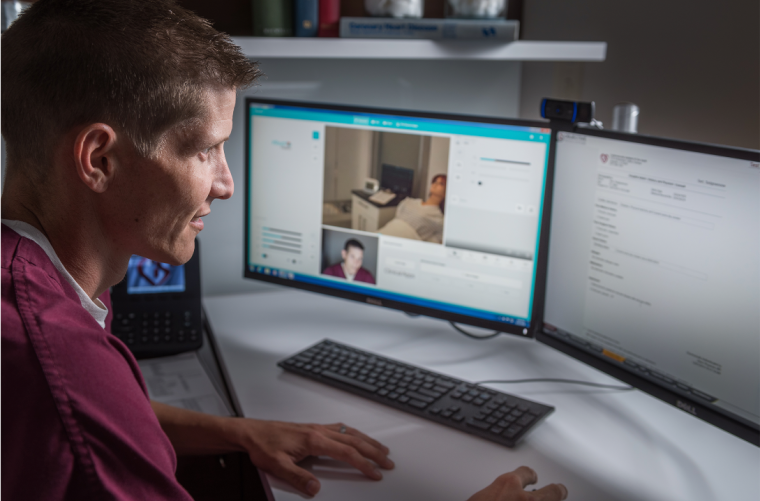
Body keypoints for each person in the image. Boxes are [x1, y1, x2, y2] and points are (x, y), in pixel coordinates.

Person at [0, 1, 567, 500]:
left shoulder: (33, 278)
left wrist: (238, 431)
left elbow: (106, 420)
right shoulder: (59, 360)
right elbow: (79, 406)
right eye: (206, 150)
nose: (226, 183)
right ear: (99, 159)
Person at [379, 174, 447, 243]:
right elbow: (397, 216)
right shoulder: (410, 201)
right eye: (435, 181)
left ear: (446, 192)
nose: (435, 184)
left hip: (404, 240)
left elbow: (435, 241)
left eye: (441, 184)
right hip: (389, 229)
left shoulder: (438, 218)